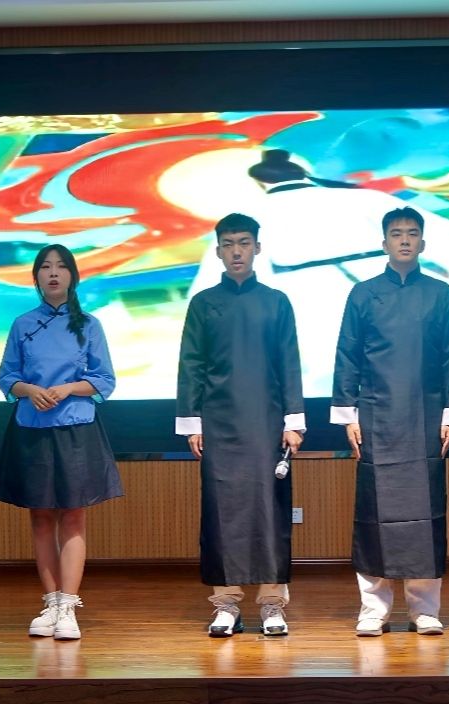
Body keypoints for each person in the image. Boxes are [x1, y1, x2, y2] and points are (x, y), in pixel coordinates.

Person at [187, 149, 449, 394]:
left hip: (315, 310)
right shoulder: (366, 199)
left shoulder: (248, 219)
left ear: (259, 182)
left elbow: (215, 294)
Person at [331, 207, 449, 637]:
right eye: (396, 233)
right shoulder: (363, 294)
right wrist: (348, 415)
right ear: (384, 243)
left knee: (426, 514)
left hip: (426, 417)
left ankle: (424, 610)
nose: (404, 240)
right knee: (374, 514)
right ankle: (374, 610)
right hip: (376, 416)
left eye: (411, 233)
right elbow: (348, 355)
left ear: (422, 242)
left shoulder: (440, 293)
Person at [177, 212, 305, 637]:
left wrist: (293, 421)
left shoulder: (277, 302)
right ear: (218, 251)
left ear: (257, 248)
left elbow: (289, 363)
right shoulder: (203, 304)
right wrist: (193, 423)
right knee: (222, 513)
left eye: (244, 243)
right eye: (229, 244)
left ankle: (272, 604)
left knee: (270, 512)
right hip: (219, 425)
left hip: (267, 424)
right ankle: (226, 604)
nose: (237, 251)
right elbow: (191, 365)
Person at [0, 244, 122, 641]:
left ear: (72, 276)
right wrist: (29, 389)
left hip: (77, 428)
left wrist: (66, 389)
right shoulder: (22, 324)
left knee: (73, 516)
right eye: (45, 267)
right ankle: (49, 603)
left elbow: (105, 379)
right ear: (35, 277)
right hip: (31, 427)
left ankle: (68, 606)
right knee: (41, 517)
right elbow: (6, 377)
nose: (52, 273)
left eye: (61, 267)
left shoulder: (90, 325)